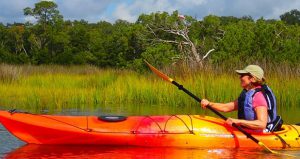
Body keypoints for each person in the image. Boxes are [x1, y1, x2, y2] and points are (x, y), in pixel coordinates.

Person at [201, 65, 280, 132]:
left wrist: (238, 121)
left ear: (252, 79)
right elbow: (226, 107)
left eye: (242, 75)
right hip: (247, 130)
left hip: (260, 133)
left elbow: (262, 124)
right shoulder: (248, 94)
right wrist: (209, 104)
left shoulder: (258, 96)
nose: (240, 78)